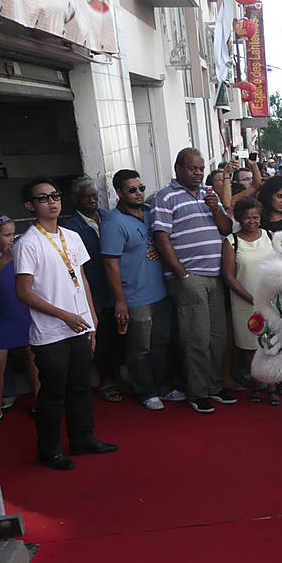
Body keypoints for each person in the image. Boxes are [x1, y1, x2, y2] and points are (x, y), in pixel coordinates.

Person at [14, 178, 117, 470]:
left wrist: (91, 318)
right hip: (51, 333)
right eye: (43, 198)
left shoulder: (72, 236)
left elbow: (81, 279)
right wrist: (64, 315)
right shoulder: (28, 243)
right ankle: (49, 450)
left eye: (55, 196)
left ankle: (83, 438)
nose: (52, 202)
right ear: (30, 206)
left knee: (81, 387)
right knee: (52, 394)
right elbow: (23, 292)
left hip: (80, 325)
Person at [152, 147, 236, 414]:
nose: (198, 173)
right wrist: (181, 274)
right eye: (192, 168)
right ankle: (197, 392)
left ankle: (213, 386)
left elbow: (225, 229)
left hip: (214, 276)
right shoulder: (165, 197)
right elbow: (161, 238)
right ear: (178, 168)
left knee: (217, 337)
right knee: (196, 338)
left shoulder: (208, 195)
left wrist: (215, 209)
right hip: (189, 277)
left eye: (201, 169)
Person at [100, 169, 173, 411]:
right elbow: (110, 265)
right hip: (135, 297)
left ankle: (163, 387)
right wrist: (120, 301)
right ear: (119, 192)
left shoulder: (150, 213)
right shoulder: (113, 223)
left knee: (161, 343)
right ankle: (146, 392)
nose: (139, 193)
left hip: (160, 292)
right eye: (132, 190)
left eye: (141, 188)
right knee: (139, 349)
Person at [0, 215, 39, 425]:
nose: (12, 238)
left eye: (14, 234)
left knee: (32, 357)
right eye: (7, 235)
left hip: (22, 311)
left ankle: (41, 402)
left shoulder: (20, 253)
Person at [66, 178, 121, 403]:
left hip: (115, 288)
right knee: (101, 340)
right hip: (93, 289)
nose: (92, 200)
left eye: (94, 195)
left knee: (119, 336)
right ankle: (106, 381)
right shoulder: (71, 229)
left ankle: (119, 377)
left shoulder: (108, 218)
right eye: (86, 196)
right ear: (75, 200)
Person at [220, 198, 276, 405]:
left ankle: (271, 385)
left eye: (255, 217)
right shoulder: (231, 241)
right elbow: (229, 277)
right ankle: (257, 383)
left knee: (271, 343)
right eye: (246, 218)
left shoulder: (270, 236)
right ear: (239, 218)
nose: (251, 221)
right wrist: (250, 297)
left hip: (270, 300)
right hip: (243, 301)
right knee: (249, 345)